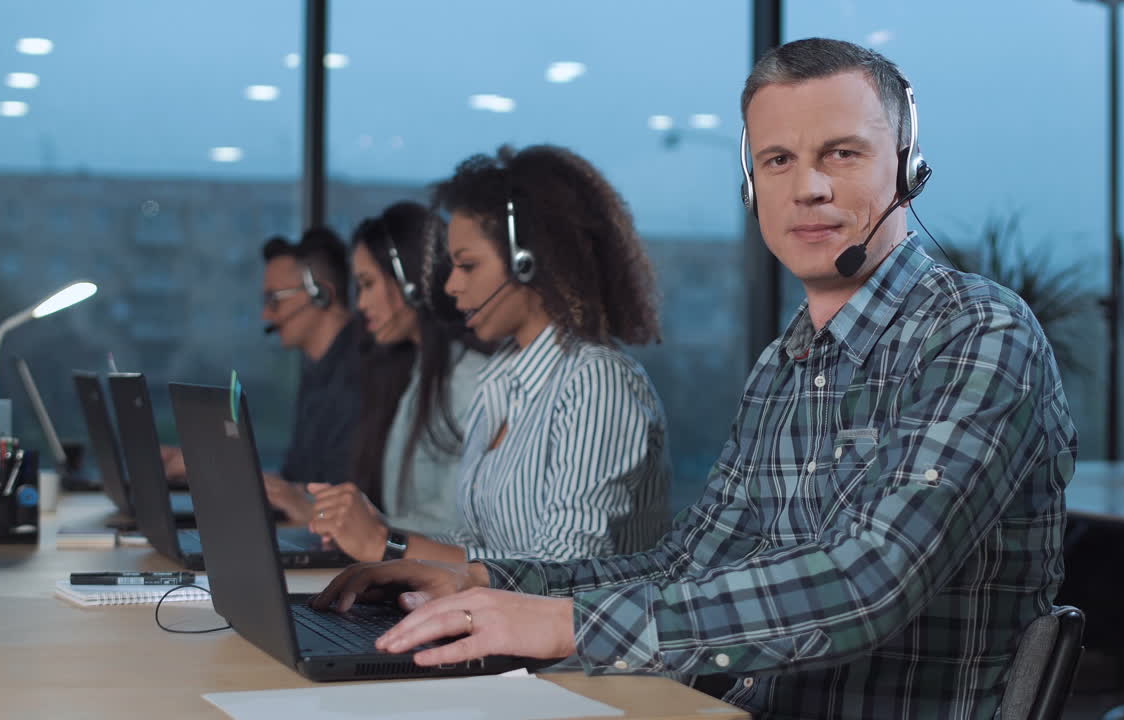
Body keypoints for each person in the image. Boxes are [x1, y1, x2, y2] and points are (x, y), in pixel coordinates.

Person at [312, 38, 1078, 719]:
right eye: (778, 161)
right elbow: (686, 563)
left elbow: (870, 581)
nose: (807, 187)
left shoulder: (978, 333)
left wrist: (564, 625)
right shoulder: (784, 366)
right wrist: (487, 581)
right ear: (753, 186)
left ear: (908, 168)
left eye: (842, 153)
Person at [306, 145, 671, 565]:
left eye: (468, 266)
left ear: (528, 263)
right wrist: (382, 530)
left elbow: (567, 569)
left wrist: (388, 546)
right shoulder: (501, 378)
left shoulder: (597, 382)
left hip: (569, 631)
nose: (450, 286)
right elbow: (475, 540)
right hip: (493, 624)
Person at [305, 201, 487, 550]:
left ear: (410, 284)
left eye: (368, 284)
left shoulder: (469, 381)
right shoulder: (414, 373)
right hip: (409, 570)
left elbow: (467, 534)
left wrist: (378, 534)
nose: (361, 304)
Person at [163, 227, 362, 523]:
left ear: (320, 295)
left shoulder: (362, 375)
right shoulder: (317, 371)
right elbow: (295, 483)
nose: (266, 316)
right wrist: (210, 467)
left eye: (275, 300)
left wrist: (217, 469)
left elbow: (335, 494)